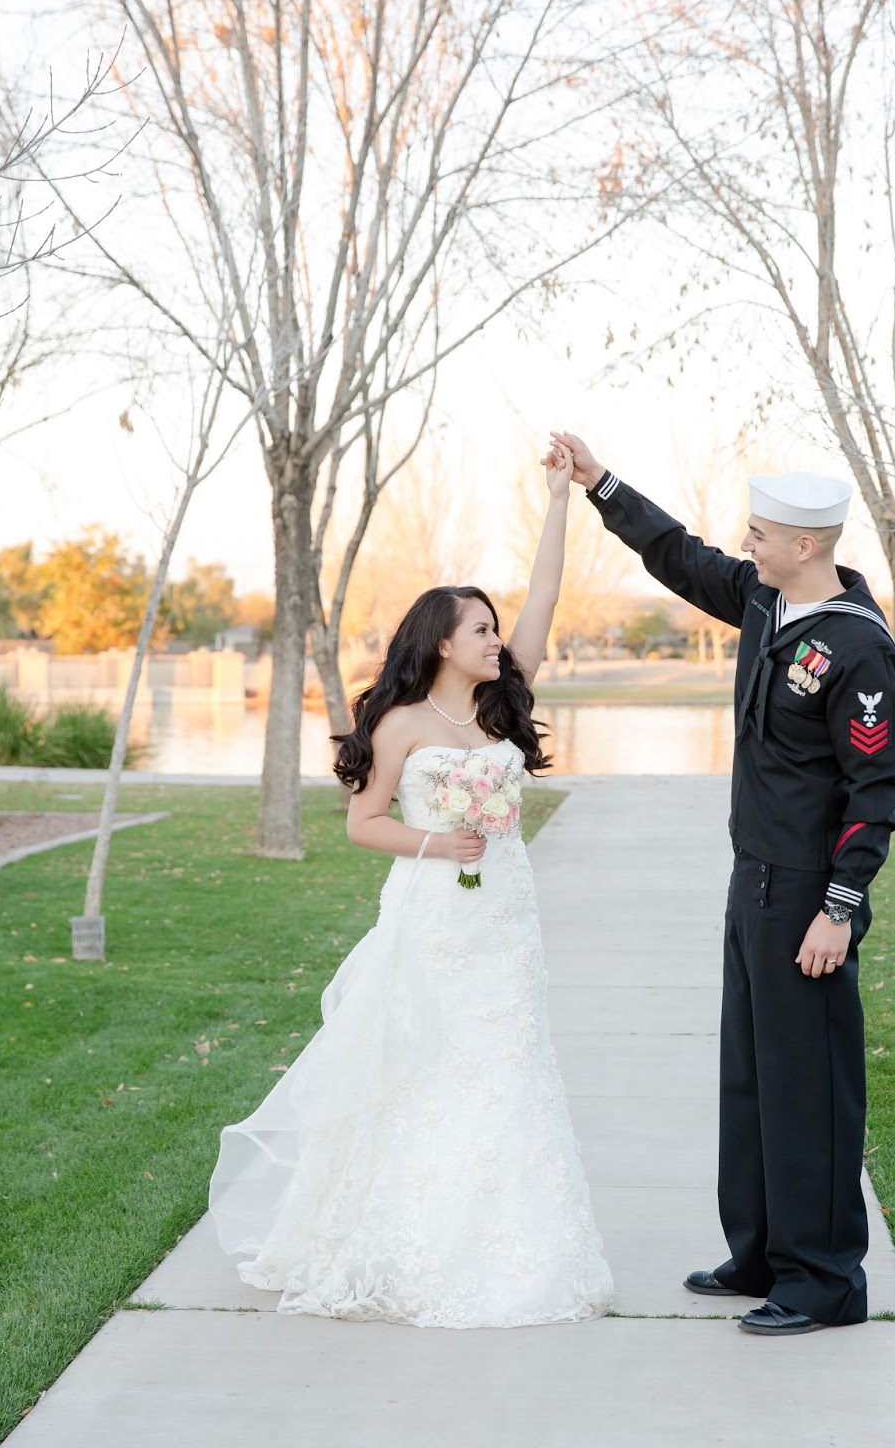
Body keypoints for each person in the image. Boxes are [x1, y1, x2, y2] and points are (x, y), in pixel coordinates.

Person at [208, 441, 613, 1328]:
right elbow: (363, 825)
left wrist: (557, 500)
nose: (496, 639)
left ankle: (515, 1242)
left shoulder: (505, 701)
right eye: (480, 630)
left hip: (506, 914)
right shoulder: (396, 725)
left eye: (495, 629)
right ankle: (405, 1238)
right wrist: (439, 842)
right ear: (440, 641)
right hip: (434, 915)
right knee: (428, 1071)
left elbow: (543, 600)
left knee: (510, 1067)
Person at [550, 431, 895, 1336]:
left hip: (805, 896)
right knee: (750, 1076)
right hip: (750, 877)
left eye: (761, 534)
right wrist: (602, 483)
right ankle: (759, 1252)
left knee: (809, 1088)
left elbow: (875, 794)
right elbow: (680, 555)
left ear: (808, 546)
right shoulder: (765, 601)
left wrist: (840, 907)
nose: (746, 544)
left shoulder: (857, 652)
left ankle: (824, 1281)